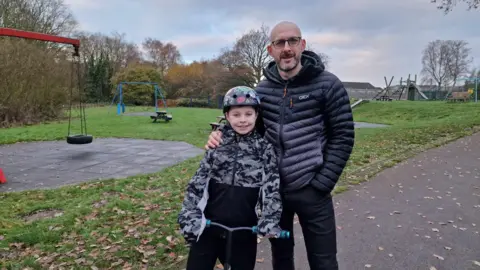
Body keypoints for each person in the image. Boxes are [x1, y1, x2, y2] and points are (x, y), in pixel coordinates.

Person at [205, 21, 355, 270]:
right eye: (280, 43)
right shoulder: (262, 90)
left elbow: (344, 136)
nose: (287, 48)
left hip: (313, 192)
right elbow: (246, 124)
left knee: (324, 261)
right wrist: (221, 134)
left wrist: (322, 183)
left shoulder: (328, 84)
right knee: (282, 259)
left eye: (292, 41)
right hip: (274, 193)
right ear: (270, 50)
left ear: (302, 45)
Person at [178, 86, 284, 270]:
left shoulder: (264, 149)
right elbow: (198, 183)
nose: (243, 120)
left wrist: (270, 219)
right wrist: (190, 215)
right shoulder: (217, 143)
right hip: (209, 227)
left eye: (248, 114)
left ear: (256, 115)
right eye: (236, 115)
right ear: (227, 116)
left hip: (244, 231)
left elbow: (271, 187)